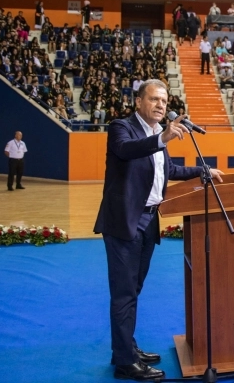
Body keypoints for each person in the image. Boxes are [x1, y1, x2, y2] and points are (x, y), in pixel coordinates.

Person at [93, 79, 224, 381]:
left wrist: (201, 171)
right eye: (154, 99)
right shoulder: (121, 127)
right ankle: (125, 363)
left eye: (164, 101)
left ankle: (127, 347)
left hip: (150, 221)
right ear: (139, 101)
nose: (160, 105)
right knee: (124, 294)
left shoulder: (156, 134)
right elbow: (126, 151)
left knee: (133, 290)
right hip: (124, 222)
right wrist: (163, 137)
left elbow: (171, 171)